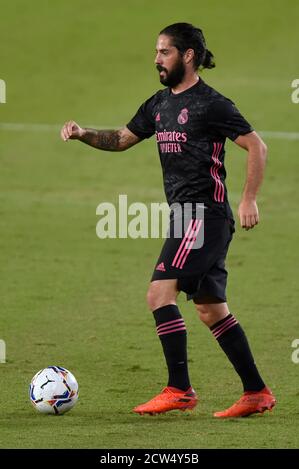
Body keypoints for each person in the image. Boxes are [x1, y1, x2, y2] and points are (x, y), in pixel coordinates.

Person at [61, 23, 276, 418]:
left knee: (159, 294)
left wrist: (249, 199)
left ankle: (180, 389)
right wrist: (82, 133)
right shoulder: (158, 105)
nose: (157, 59)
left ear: (188, 55)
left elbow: (256, 146)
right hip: (186, 217)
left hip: (203, 215)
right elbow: (122, 139)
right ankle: (256, 392)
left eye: (165, 52)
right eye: (157, 52)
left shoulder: (212, 104)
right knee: (212, 309)